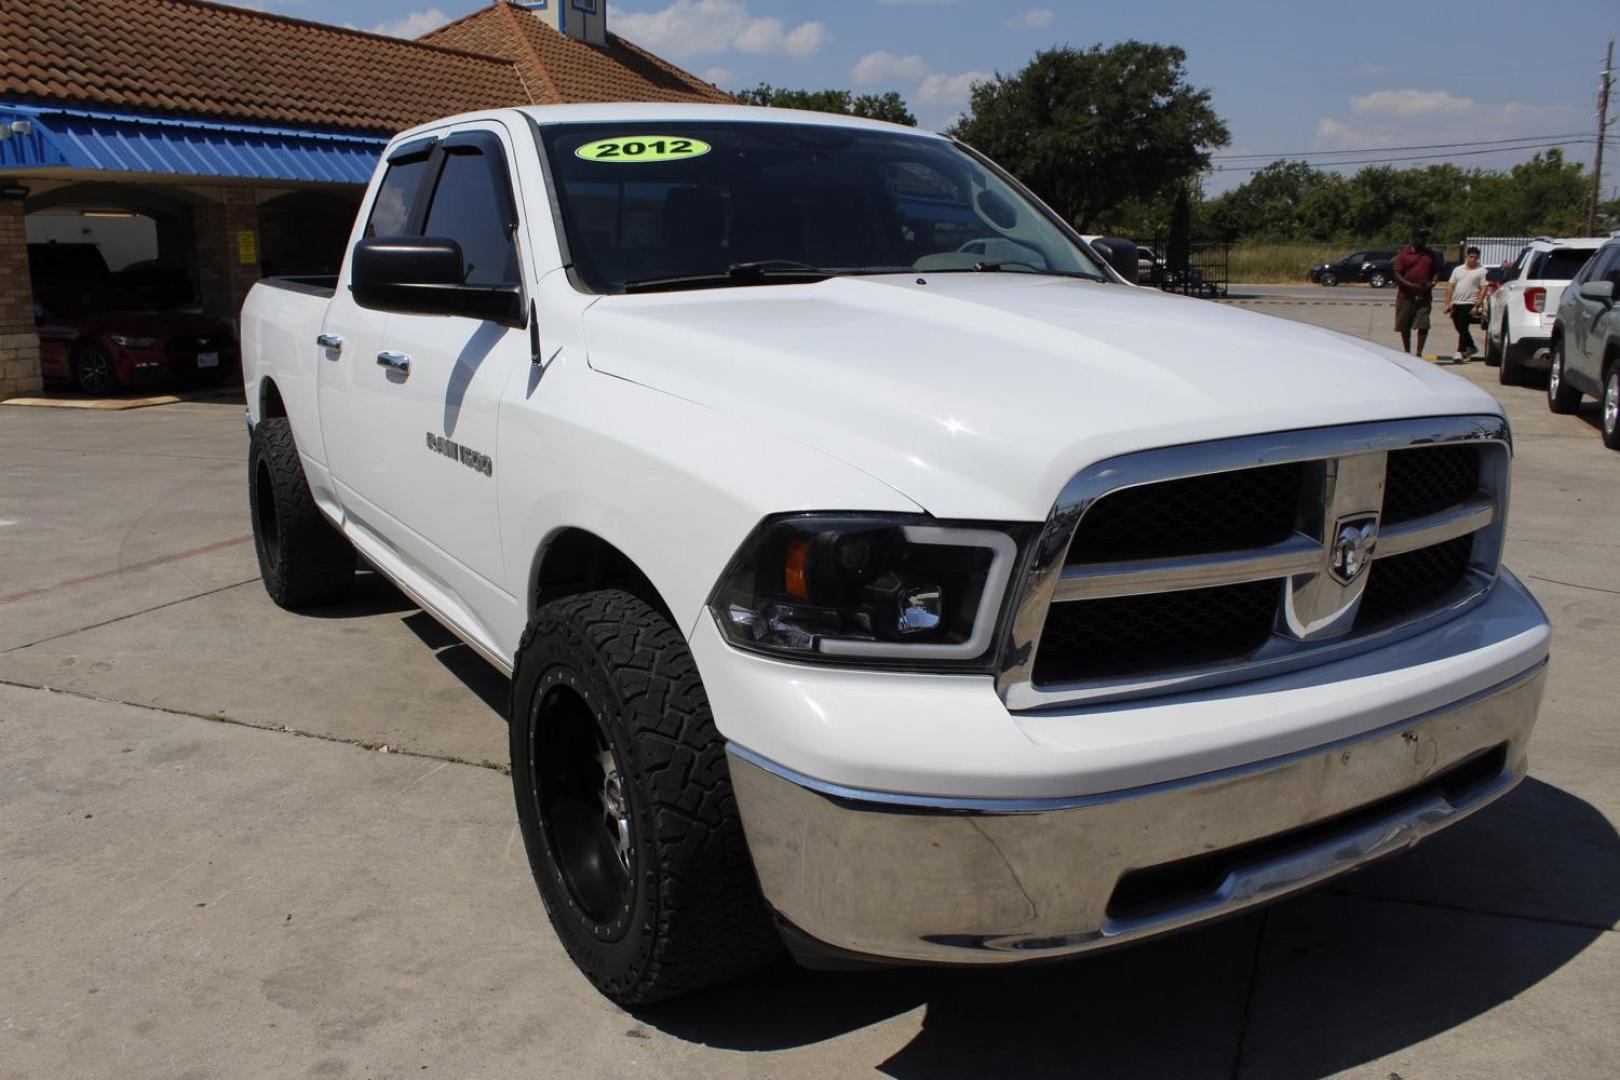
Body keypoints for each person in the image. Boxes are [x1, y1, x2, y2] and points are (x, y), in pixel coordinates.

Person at [1392, 229, 1440, 355]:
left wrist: (1433, 282)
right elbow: (1397, 274)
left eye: (1425, 238)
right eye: (1420, 237)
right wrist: (1410, 285)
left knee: (1423, 324)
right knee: (1404, 326)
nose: (1423, 240)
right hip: (1406, 295)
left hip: (1424, 295)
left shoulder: (1430, 255)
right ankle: (1407, 351)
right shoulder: (1403, 255)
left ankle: (1419, 353)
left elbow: (1436, 272)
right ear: (1413, 238)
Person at [1443, 246, 1487, 362]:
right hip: (1456, 302)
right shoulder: (1457, 270)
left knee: (1463, 326)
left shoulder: (1482, 271)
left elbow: (1484, 288)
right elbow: (1451, 286)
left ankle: (1459, 351)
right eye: (1471, 257)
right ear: (1466, 257)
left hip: (1470, 302)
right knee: (1459, 326)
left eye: (1475, 257)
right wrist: (1447, 303)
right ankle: (1471, 346)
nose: (1473, 259)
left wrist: (1477, 305)